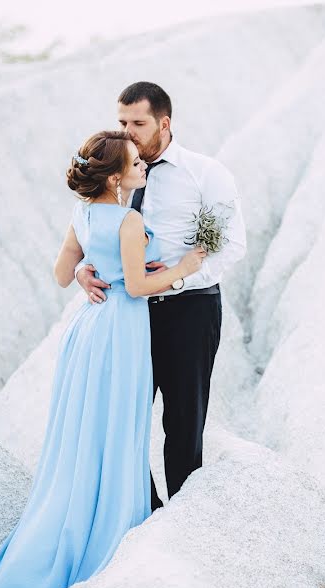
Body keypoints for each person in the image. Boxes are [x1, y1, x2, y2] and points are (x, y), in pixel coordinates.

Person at [0, 130, 206, 588]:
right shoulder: (128, 220)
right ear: (117, 177)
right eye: (137, 165)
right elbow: (138, 286)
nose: (143, 169)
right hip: (121, 331)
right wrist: (188, 266)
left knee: (85, 430)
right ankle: (111, 530)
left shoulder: (81, 213)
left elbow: (61, 275)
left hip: (88, 329)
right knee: (119, 426)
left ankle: (78, 510)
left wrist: (82, 269)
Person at [76, 82, 246, 510]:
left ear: (164, 123)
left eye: (138, 123)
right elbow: (85, 232)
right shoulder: (113, 172)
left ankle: (186, 523)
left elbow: (233, 245)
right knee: (124, 420)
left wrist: (175, 278)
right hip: (130, 313)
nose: (128, 131)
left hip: (191, 308)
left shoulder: (205, 172)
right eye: (122, 122)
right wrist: (82, 270)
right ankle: (147, 514)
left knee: (184, 421)